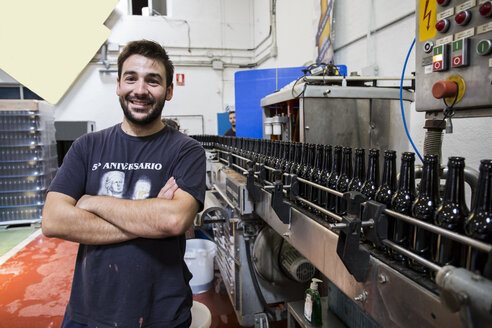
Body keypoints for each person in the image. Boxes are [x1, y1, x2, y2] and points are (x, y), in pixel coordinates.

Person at [42, 40, 206, 328]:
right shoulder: (87, 146)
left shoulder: (187, 150)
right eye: (131, 78)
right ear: (118, 85)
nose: (140, 90)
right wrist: (148, 219)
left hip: (162, 315)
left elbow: (172, 220)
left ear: (168, 91)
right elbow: (54, 220)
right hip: (88, 314)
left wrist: (91, 203)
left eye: (153, 81)